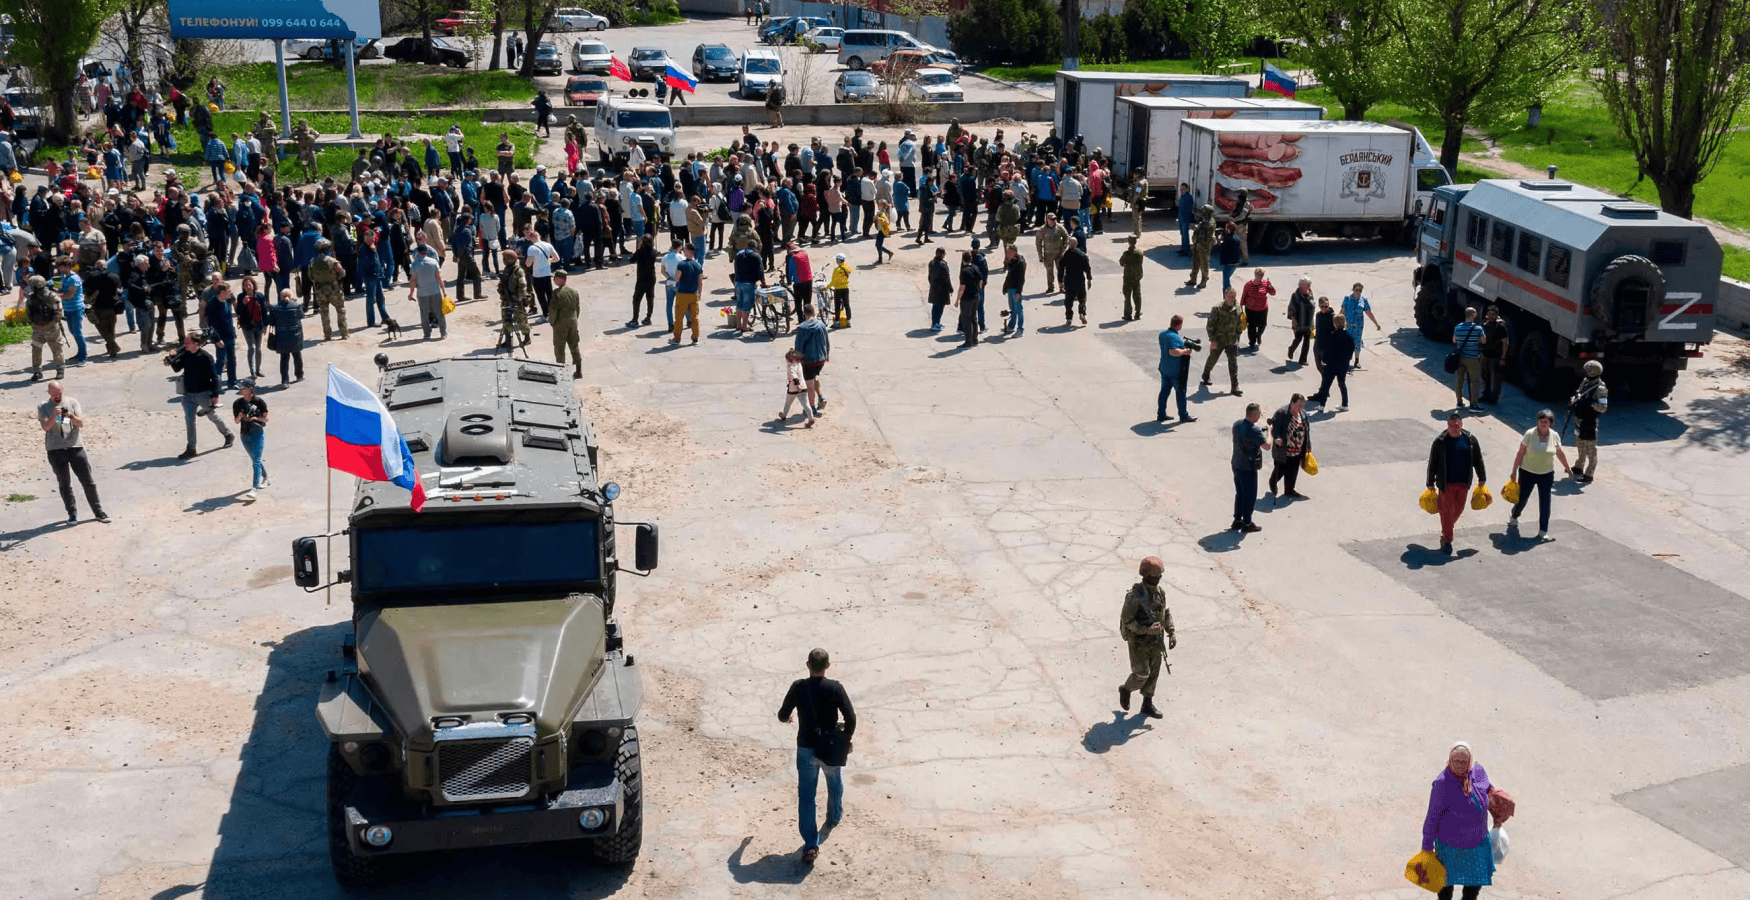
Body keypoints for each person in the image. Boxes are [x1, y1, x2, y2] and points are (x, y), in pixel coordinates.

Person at [777, 648, 855, 864]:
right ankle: (833, 816)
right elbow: (851, 717)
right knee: (834, 782)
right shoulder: (835, 688)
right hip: (830, 748)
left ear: (808, 664)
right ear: (827, 666)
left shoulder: (798, 687)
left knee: (807, 796)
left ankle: (811, 845)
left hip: (806, 749)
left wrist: (788, 717)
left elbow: (782, 714)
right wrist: (845, 740)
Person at [1421, 741, 1498, 900]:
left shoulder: (1478, 771)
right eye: (1456, 761)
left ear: (1470, 761)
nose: (1461, 765)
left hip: (1477, 843)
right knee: (1445, 887)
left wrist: (1499, 812)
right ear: (1449, 760)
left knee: (1473, 887)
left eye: (1464, 761)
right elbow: (1432, 816)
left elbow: (1488, 790)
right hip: (1450, 845)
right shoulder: (1442, 784)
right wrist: (1426, 847)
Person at [39, 380, 109, 524]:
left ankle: (98, 512)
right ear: (49, 394)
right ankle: (72, 514)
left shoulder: (72, 402)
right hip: (55, 450)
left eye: (58, 394)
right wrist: (53, 416)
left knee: (88, 481)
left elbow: (81, 423)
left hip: (75, 447)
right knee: (64, 484)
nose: (56, 397)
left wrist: (71, 416)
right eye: (53, 395)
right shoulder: (43, 406)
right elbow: (46, 427)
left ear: (62, 389)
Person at [1117, 556, 1175, 719]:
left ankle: (1147, 704)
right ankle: (1126, 689)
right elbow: (1127, 621)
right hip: (1139, 642)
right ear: (1148, 576)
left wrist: (1171, 631)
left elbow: (1166, 612)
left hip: (1156, 642)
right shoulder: (1135, 596)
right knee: (1142, 673)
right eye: (1157, 575)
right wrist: (1146, 629)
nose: (1160, 577)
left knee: (1154, 673)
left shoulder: (1160, 593)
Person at [166, 332, 234, 459]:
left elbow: (214, 377)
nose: (184, 344)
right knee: (189, 421)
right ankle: (191, 448)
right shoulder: (185, 354)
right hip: (188, 395)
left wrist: (215, 394)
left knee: (212, 416)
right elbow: (177, 368)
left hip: (203, 394)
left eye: (187, 342)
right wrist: (171, 360)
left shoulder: (206, 357)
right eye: (185, 342)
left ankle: (228, 434)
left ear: (195, 344)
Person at [1427, 411, 1487, 554]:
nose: (1455, 428)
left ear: (1461, 425)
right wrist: (1430, 482)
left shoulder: (1470, 440)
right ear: (1447, 426)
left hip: (1463, 483)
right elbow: (1432, 463)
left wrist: (1482, 477)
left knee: (1458, 510)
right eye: (1452, 425)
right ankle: (1447, 540)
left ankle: (1446, 529)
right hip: (1446, 484)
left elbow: (1478, 459)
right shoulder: (1440, 442)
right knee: (1447, 512)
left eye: (1457, 425)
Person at [1508, 409, 1572, 539]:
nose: (1543, 423)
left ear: (1550, 424)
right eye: (1541, 421)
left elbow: (1559, 453)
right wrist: (1514, 470)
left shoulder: (1554, 436)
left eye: (1546, 422)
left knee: (1545, 502)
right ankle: (1514, 515)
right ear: (1538, 422)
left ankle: (1543, 530)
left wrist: (1567, 467)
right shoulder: (1530, 434)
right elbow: (1520, 452)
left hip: (1546, 474)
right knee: (1522, 499)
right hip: (1527, 473)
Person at [1230, 402, 1269, 533]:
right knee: (1249, 496)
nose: (1259, 417)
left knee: (1240, 493)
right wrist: (1270, 432)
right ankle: (1247, 523)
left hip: (1236, 464)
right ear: (1253, 415)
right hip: (1248, 467)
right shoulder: (1255, 430)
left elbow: (1248, 434)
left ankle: (1237, 520)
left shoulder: (1237, 424)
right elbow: (1267, 446)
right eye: (1258, 414)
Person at [21, 274, 65, 382]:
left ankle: (46, 371)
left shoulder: (35, 298)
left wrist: (39, 325)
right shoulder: (52, 296)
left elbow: (57, 313)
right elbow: (58, 312)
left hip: (43, 329)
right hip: (47, 328)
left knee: (44, 349)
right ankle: (55, 371)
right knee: (54, 349)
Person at [1267, 394, 1311, 502]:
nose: (1299, 408)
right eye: (1298, 405)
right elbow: (1276, 428)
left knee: (1293, 470)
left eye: (1302, 405)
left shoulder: (1303, 414)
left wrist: (1308, 445)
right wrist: (1277, 438)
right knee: (1281, 469)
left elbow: (1307, 431)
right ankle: (1273, 482)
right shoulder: (1282, 413)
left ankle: (1289, 490)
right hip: (1284, 449)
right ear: (1291, 403)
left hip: (1298, 448)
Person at [1569, 361, 1607, 482]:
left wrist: (1590, 405)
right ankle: (1579, 466)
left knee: (1590, 449)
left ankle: (1589, 473)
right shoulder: (1585, 382)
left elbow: (1603, 407)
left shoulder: (1600, 388)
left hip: (1590, 421)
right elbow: (1579, 393)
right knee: (1580, 443)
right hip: (1580, 419)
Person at [1201, 289, 1243, 396]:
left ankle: (1235, 385)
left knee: (1233, 362)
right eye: (1229, 296)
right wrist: (1212, 340)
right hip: (1219, 339)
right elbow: (1210, 325)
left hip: (1232, 340)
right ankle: (1206, 374)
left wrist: (1238, 335)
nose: (1231, 298)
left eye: (1233, 297)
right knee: (1213, 358)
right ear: (1225, 296)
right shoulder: (1217, 309)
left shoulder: (1238, 308)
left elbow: (1240, 324)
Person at [232, 379, 270, 499]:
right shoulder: (237, 403)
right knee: (255, 458)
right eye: (240, 388)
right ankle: (266, 478)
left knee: (256, 461)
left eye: (243, 388)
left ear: (250, 389)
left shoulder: (259, 402)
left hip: (256, 432)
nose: (241, 390)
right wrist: (240, 416)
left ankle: (255, 488)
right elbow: (236, 421)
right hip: (244, 434)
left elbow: (265, 419)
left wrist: (255, 418)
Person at [1309, 314, 1355, 412]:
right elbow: (1351, 350)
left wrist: (1324, 360)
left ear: (1335, 324)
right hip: (1343, 365)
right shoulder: (1349, 337)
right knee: (1342, 384)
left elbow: (1328, 350)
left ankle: (1322, 405)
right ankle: (1345, 404)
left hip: (1332, 365)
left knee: (1326, 384)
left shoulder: (1332, 336)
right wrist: (1348, 360)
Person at [1156, 315, 1196, 424]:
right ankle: (1184, 416)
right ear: (1179, 325)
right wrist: (1184, 352)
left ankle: (1161, 414)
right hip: (1175, 371)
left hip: (1164, 368)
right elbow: (1172, 351)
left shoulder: (1163, 334)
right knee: (1181, 392)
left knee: (1164, 392)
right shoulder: (1174, 337)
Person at [794, 303, 830, 411]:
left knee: (809, 383)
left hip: (808, 360)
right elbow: (827, 341)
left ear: (804, 314)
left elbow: (798, 347)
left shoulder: (801, 328)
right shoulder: (821, 325)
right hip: (821, 359)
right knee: (815, 376)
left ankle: (812, 408)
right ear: (813, 312)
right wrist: (827, 354)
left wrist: (796, 360)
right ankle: (820, 397)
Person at [409, 246, 447, 340]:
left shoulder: (415, 264)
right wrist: (443, 290)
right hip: (435, 291)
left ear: (418, 252)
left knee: (424, 314)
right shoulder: (433, 262)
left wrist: (411, 294)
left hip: (422, 293)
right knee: (439, 313)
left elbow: (412, 280)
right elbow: (439, 277)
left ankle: (427, 334)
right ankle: (443, 332)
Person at [1452, 307, 1486, 410]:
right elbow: (1483, 341)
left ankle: (1459, 402)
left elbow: (1454, 340)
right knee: (1474, 382)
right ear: (1473, 315)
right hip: (1473, 359)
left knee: (1460, 380)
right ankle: (1473, 405)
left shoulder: (1458, 327)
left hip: (1460, 358)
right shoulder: (1478, 329)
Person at [269, 289, 304, 384]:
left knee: (284, 359)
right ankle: (299, 375)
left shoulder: (275, 308)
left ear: (281, 296)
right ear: (291, 296)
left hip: (281, 336)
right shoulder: (297, 306)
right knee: (297, 356)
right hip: (295, 336)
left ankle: (285, 380)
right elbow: (301, 316)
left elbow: (271, 321)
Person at [1341, 283, 1379, 368]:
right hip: (1349, 325)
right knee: (1348, 343)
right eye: (1356, 290)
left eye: (1360, 290)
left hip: (1358, 326)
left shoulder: (1363, 300)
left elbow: (1368, 312)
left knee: (1357, 343)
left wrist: (1376, 323)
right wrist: (1337, 322)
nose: (1358, 292)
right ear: (1353, 290)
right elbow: (1342, 311)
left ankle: (1357, 360)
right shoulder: (1347, 299)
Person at [1239, 267, 1275, 350]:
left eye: (1261, 275)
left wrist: (1271, 286)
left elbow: (1273, 293)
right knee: (1251, 326)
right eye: (1258, 275)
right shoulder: (1248, 285)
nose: (1259, 277)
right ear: (1255, 275)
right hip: (1250, 309)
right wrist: (1241, 306)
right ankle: (1252, 342)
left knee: (1263, 325)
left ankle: (1258, 335)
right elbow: (1244, 296)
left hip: (1262, 309)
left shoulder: (1265, 284)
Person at [779, 347, 815, 428]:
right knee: (806, 404)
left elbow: (795, 378)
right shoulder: (799, 365)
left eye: (787, 360)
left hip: (793, 389)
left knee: (788, 403)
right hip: (804, 387)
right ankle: (811, 418)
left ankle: (784, 415)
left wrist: (797, 386)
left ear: (790, 360)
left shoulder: (790, 367)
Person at [1479, 306, 1509, 403]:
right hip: (1485, 354)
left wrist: (1503, 357)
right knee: (1485, 376)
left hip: (1495, 356)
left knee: (1496, 379)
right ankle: (1486, 394)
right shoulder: (1485, 323)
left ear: (1497, 315)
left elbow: (1505, 343)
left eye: (1493, 315)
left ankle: (1494, 398)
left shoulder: (1501, 327)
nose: (1491, 316)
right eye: (1490, 314)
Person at [1059, 241, 1090, 326]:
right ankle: (1082, 312)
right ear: (1076, 244)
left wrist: (1060, 281)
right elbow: (1087, 268)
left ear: (1069, 245)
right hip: (1080, 280)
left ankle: (1069, 318)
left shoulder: (1065, 255)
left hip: (1069, 281)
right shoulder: (1082, 255)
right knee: (1082, 299)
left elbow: (1061, 269)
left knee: (1068, 300)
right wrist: (1089, 279)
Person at [1286, 278, 1314, 366]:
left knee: (1307, 341)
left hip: (1308, 320)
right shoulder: (1295, 295)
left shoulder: (1310, 293)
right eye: (1307, 284)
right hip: (1299, 320)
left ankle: (1303, 359)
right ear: (1301, 285)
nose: (1308, 286)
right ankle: (1291, 349)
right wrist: (1293, 320)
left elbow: (1312, 305)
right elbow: (1291, 308)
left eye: (1309, 284)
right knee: (1298, 339)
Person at [955, 249, 981, 348]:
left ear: (963, 260)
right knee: (974, 318)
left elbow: (962, 287)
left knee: (966, 320)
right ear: (971, 259)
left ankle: (968, 341)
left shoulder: (964, 271)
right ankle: (975, 340)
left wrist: (957, 299)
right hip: (975, 296)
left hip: (967, 298)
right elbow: (980, 281)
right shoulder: (976, 268)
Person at [1185, 204, 1214, 289]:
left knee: (1204, 264)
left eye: (1204, 211)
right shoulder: (1204, 221)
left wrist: (1204, 245)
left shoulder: (1210, 223)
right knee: (1195, 262)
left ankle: (1204, 281)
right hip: (1198, 244)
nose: (1202, 213)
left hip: (1204, 246)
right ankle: (1193, 279)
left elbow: (1208, 237)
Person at [1000, 245, 1026, 335]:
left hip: (1015, 289)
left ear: (1014, 252)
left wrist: (1019, 292)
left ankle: (1020, 329)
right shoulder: (1012, 261)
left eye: (1009, 252)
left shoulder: (1021, 262)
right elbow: (1009, 275)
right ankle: (1011, 326)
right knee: (1012, 309)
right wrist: (1005, 286)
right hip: (1010, 288)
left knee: (1019, 309)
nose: (1007, 254)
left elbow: (1021, 279)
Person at [926, 247, 952, 332]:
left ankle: (936, 322)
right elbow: (947, 278)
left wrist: (932, 284)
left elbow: (929, 277)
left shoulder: (931, 263)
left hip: (934, 288)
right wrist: (950, 288)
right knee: (940, 307)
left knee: (935, 306)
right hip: (942, 289)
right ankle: (935, 323)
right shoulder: (943, 265)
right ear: (941, 254)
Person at [1119, 236, 1143, 321]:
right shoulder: (1140, 253)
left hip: (1128, 278)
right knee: (1137, 296)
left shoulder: (1126, 254)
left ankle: (1128, 315)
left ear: (1129, 242)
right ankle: (1137, 314)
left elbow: (1121, 263)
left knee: (1127, 296)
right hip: (1137, 277)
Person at [1216, 222, 1242, 293]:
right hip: (1235, 263)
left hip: (1228, 263)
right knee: (1227, 279)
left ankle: (1228, 296)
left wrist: (1218, 238)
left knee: (1226, 283)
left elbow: (1221, 246)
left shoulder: (1228, 239)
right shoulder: (1236, 237)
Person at [827, 252, 852, 327]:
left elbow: (833, 282)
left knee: (837, 306)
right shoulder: (847, 268)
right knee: (847, 304)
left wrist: (826, 287)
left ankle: (837, 322)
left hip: (838, 289)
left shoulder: (836, 270)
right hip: (846, 288)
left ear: (838, 260)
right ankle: (849, 321)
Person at [1175, 181, 1193, 251]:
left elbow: (1189, 209)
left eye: (1183, 189)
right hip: (1181, 217)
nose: (1181, 190)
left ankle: (1186, 249)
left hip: (1185, 218)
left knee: (1185, 234)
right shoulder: (1182, 197)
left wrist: (1187, 218)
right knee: (1182, 233)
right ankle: (1183, 248)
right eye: (1181, 189)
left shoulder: (1188, 197)